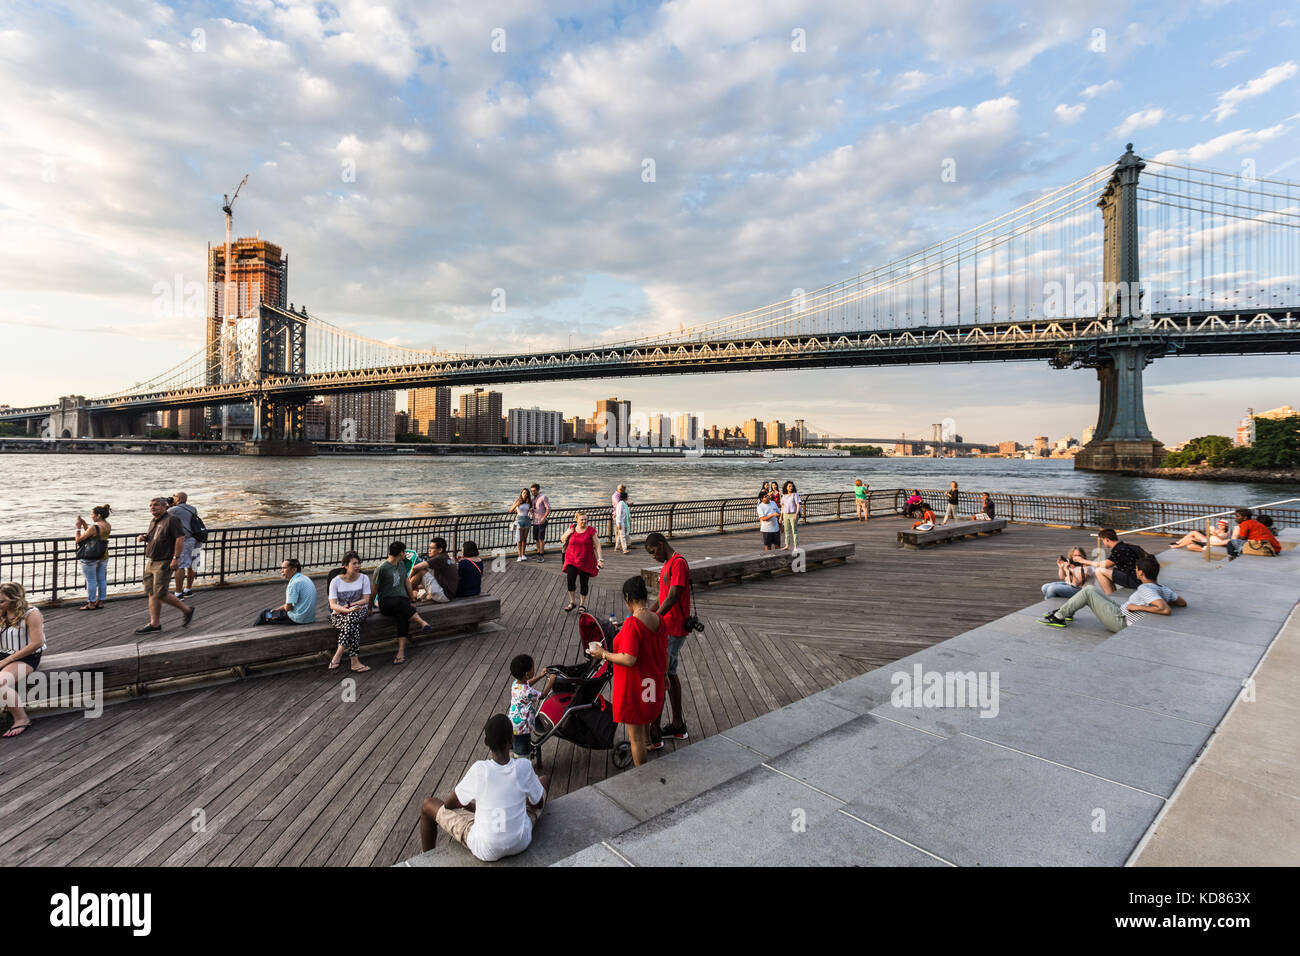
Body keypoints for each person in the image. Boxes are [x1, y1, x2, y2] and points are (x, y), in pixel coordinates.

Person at [419, 714, 550, 860]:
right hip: (520, 842)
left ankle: (425, 860)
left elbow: (450, 804)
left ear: (486, 741)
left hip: (486, 849)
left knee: (427, 805)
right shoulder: (524, 767)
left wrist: (475, 809)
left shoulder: (479, 770)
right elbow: (538, 803)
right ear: (511, 740)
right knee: (542, 780)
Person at [586, 576, 665, 767]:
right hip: (652, 683)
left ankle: (641, 776)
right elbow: (663, 652)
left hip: (634, 687)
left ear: (628, 597)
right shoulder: (658, 619)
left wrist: (604, 654)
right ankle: (649, 746)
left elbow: (629, 659)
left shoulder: (632, 624)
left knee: (635, 739)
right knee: (645, 720)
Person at [1040, 556, 1185, 632]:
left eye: (1136, 569)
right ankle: (1066, 612)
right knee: (1092, 589)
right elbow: (1182, 602)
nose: (1135, 571)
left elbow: (1164, 609)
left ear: (1141, 572)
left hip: (1121, 622)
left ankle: (1059, 617)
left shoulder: (1146, 589)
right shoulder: (1163, 588)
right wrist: (1157, 600)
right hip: (1120, 611)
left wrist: (1138, 607)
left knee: (1089, 591)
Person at [645, 532, 690, 745]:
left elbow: (673, 596)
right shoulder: (666, 566)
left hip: (674, 628)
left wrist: (656, 619)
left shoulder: (678, 563)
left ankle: (655, 730)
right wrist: (644, 615)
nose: (653, 557)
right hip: (666, 627)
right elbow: (662, 598)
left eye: (653, 552)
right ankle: (677, 725)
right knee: (669, 674)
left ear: (661, 545)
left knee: (663, 675)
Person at [134, 496, 194, 634]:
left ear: (164, 506)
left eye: (156, 505)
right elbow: (154, 537)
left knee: (160, 593)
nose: (152, 507)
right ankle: (155, 624)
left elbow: (180, 538)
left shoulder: (172, 520)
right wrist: (144, 538)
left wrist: (176, 558)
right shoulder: (154, 521)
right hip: (152, 560)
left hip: (164, 560)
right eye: (150, 505)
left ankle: (187, 610)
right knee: (151, 593)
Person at [374, 541, 433, 664]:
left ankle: (401, 652)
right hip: (386, 603)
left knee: (403, 616)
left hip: (401, 603)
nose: (405, 555)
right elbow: (374, 590)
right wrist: (369, 607)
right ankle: (422, 622)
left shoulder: (401, 565)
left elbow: (406, 582)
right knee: (401, 604)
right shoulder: (382, 568)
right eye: (404, 552)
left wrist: (412, 598)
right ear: (401, 553)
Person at [0, 582, 45, 738]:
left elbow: (37, 643)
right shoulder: (2, 612)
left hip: (26, 656)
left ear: (14, 599)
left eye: (2, 601)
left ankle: (21, 719)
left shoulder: (31, 614)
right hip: (3, 653)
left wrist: (7, 661)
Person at [328, 551, 371, 672]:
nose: (358, 566)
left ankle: (338, 654)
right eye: (354, 563)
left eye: (359, 563)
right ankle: (354, 662)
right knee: (354, 627)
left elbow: (366, 600)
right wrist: (346, 609)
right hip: (339, 614)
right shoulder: (335, 581)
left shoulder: (364, 578)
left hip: (360, 611)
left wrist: (350, 606)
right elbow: (332, 605)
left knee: (352, 617)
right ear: (345, 565)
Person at [508, 654, 556, 760]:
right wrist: (551, 681)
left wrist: (540, 676)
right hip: (523, 728)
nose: (534, 669)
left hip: (513, 724)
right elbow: (542, 695)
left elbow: (528, 682)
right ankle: (522, 764)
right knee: (523, 752)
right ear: (527, 674)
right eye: (533, 668)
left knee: (517, 743)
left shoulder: (515, 684)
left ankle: (515, 751)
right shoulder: (528, 692)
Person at [560, 512, 603, 613]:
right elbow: (562, 539)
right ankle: (572, 602)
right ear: (577, 520)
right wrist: (569, 532)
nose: (584, 521)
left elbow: (597, 545)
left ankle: (582, 605)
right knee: (570, 580)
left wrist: (600, 559)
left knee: (584, 583)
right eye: (582, 519)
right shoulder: (572, 528)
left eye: (585, 519)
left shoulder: (591, 530)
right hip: (571, 559)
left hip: (586, 560)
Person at [255, 558, 317, 625]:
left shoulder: (294, 584)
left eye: (284, 568)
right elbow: (292, 605)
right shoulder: (305, 578)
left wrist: (277, 612)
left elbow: (288, 608)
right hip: (309, 618)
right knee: (272, 614)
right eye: (281, 568)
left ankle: (253, 633)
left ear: (294, 570)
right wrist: (278, 610)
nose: (282, 571)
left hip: (297, 618)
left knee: (265, 614)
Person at [73, 504, 112, 610]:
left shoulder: (94, 527)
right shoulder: (108, 525)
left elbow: (78, 540)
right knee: (101, 579)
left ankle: (91, 603)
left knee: (91, 580)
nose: (91, 516)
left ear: (98, 515)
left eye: (92, 514)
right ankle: (100, 602)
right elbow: (94, 534)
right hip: (103, 554)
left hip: (91, 556)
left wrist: (77, 528)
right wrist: (85, 524)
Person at [167, 492, 200, 599]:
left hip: (185, 540)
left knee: (180, 565)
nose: (173, 498)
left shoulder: (174, 510)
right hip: (196, 539)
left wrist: (170, 505)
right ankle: (188, 589)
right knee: (192, 564)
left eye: (174, 496)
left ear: (179, 498)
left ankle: (178, 593)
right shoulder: (193, 508)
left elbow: (163, 516)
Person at [1092, 528, 1143, 594]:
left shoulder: (1118, 550)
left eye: (1102, 540)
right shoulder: (1124, 546)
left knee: (1099, 571)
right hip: (1139, 576)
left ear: (1106, 539)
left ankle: (1109, 596)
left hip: (1135, 580)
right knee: (1107, 569)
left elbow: (1104, 564)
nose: (1103, 543)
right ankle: (1113, 593)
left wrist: (1084, 561)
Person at [410, 537, 458, 603]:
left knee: (421, 572)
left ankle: (404, 593)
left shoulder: (439, 558)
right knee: (417, 589)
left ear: (440, 550)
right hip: (449, 595)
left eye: (432, 548)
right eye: (429, 547)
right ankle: (411, 594)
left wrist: (409, 579)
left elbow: (415, 568)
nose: (429, 550)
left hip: (444, 595)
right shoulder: (446, 557)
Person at [510, 488, 532, 563]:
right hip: (519, 520)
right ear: (521, 493)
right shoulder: (517, 500)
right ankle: (519, 556)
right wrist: (516, 505)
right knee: (519, 539)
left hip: (527, 520)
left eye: (526, 493)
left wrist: (531, 510)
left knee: (524, 539)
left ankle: (523, 554)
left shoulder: (529, 502)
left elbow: (530, 510)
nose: (525, 494)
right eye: (523, 493)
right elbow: (510, 510)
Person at [529, 483, 550, 560]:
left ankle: (542, 555)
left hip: (542, 521)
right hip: (535, 521)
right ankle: (538, 553)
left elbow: (548, 509)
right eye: (532, 491)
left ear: (538, 490)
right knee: (536, 539)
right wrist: (531, 510)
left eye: (534, 491)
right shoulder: (533, 499)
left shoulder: (543, 497)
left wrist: (544, 518)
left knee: (541, 538)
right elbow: (533, 508)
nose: (533, 492)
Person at [780, 481, 802, 550]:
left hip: (793, 514)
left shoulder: (795, 495)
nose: (791, 487)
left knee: (794, 530)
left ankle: (796, 546)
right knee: (786, 530)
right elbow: (782, 507)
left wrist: (796, 514)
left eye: (792, 486)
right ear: (786, 487)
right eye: (789, 486)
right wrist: (781, 517)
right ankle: (787, 545)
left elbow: (798, 504)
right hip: (785, 515)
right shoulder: (784, 496)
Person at [614, 490, 631, 554]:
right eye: (627, 496)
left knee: (620, 535)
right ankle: (625, 549)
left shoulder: (625, 504)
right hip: (621, 522)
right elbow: (618, 514)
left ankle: (617, 547)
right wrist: (619, 523)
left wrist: (629, 517)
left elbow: (626, 512)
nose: (628, 497)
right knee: (622, 536)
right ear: (625, 497)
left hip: (624, 521)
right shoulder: (620, 504)